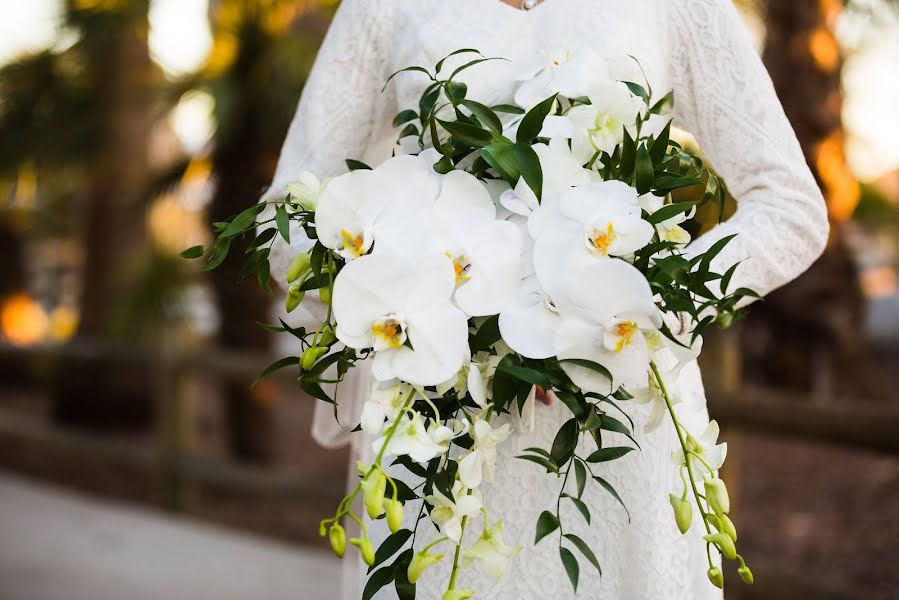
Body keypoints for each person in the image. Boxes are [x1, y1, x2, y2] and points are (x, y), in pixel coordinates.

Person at [260, 0, 828, 598]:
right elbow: (283, 224)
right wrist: (413, 295)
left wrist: (645, 299)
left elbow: (790, 206)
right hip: (439, 434)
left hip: (621, 423)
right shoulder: (383, 7)